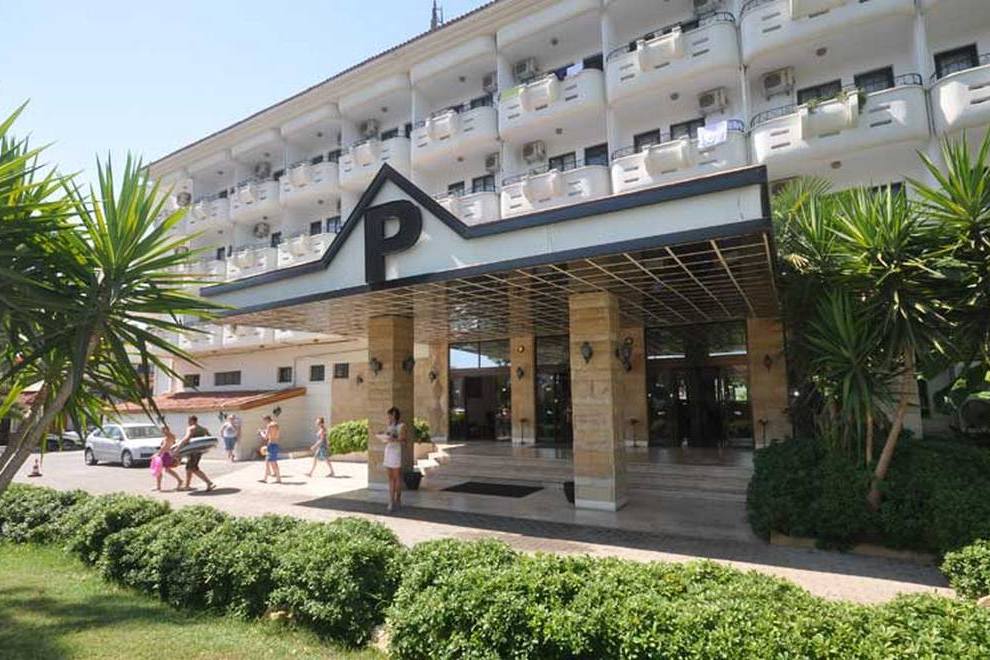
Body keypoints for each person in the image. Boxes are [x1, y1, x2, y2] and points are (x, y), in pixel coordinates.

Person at [377, 407, 408, 512]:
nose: (389, 417)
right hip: (388, 451)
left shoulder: (402, 426)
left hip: (395, 452)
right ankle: (391, 500)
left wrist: (393, 439)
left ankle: (398, 497)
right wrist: (383, 436)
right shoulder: (389, 426)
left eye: (390, 415)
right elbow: (387, 437)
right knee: (390, 477)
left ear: (394, 415)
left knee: (396, 477)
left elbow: (404, 441)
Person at [177, 415, 216, 492]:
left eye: (189, 421)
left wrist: (178, 449)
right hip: (198, 451)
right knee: (189, 468)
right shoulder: (203, 429)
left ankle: (209, 483)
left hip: (192, 451)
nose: (188, 423)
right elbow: (210, 438)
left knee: (193, 468)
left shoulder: (191, 428)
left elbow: (186, 438)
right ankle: (187, 486)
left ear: (192, 421)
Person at [151, 424, 183, 491]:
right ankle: (179, 480)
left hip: (166, 455)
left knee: (161, 470)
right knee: (165, 470)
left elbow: (165, 447)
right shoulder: (169, 436)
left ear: (167, 429)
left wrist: (157, 454)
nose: (162, 431)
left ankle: (179, 480)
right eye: (162, 429)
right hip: (166, 454)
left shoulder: (169, 437)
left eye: (163, 429)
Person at [259, 415, 282, 484]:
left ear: (267, 420)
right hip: (276, 444)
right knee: (268, 461)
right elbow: (274, 434)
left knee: (273, 462)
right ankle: (265, 478)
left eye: (264, 420)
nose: (264, 422)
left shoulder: (269, 426)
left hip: (271, 445)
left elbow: (265, 437)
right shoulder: (276, 425)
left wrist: (261, 433)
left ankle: (278, 479)